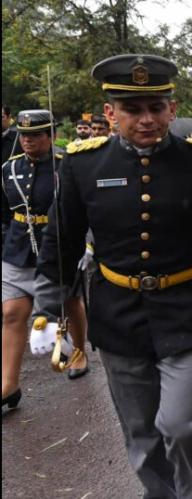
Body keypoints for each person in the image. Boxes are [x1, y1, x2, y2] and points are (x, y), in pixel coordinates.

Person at [34, 54, 192, 497]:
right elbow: (62, 239)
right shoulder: (82, 165)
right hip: (118, 316)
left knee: (183, 425)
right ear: (111, 112)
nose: (146, 119)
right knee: (142, 432)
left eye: (156, 107)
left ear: (172, 108)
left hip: (190, 309)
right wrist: (49, 309)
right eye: (132, 109)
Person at [2, 110, 89, 410]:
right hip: (18, 246)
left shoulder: (66, 166)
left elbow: (82, 209)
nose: (28, 140)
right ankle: (9, 384)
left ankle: (78, 352)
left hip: (60, 243)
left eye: (36, 135)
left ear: (51, 136)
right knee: (12, 312)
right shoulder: (8, 168)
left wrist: (87, 246)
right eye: (24, 135)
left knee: (69, 302)